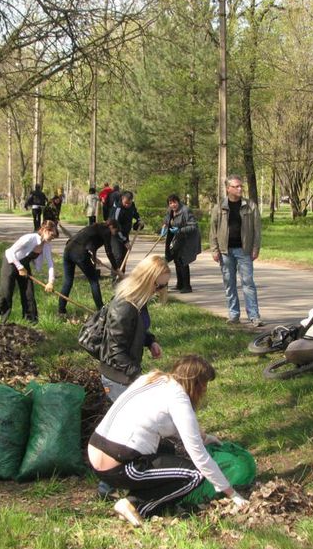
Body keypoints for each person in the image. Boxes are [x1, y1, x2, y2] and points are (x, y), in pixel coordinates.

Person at [88, 355, 249, 526]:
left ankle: (138, 499)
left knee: (170, 450)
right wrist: (232, 494)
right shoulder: (179, 398)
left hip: (96, 451)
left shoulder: (152, 379)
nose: (205, 391)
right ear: (197, 384)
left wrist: (206, 438)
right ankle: (135, 504)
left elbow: (164, 422)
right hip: (119, 465)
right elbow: (199, 456)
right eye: (205, 385)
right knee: (194, 474)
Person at [99, 254, 168, 402]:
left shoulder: (139, 301)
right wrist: (139, 376)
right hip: (117, 377)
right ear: (145, 280)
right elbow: (115, 351)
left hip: (126, 373)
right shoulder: (124, 307)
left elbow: (134, 328)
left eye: (164, 286)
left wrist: (150, 341)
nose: (159, 290)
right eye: (158, 285)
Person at [209, 174, 263, 326]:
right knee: (229, 284)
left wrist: (255, 247)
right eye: (236, 186)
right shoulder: (219, 207)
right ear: (228, 189)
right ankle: (234, 315)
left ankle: (254, 316)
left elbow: (257, 230)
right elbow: (213, 230)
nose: (240, 189)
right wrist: (214, 250)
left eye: (241, 186)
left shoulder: (250, 206)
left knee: (248, 283)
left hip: (244, 250)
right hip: (225, 252)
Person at [0, 220, 58, 324]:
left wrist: (50, 282)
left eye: (54, 236)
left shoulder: (46, 245)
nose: (52, 238)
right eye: (52, 234)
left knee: (28, 292)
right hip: (10, 262)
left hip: (24, 265)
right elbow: (10, 252)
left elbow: (50, 264)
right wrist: (19, 267)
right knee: (6, 292)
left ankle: (31, 321)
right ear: (45, 230)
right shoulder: (29, 238)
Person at [59, 219, 119, 314]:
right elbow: (109, 251)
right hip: (79, 253)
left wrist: (93, 257)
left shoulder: (94, 226)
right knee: (94, 281)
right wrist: (116, 268)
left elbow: (88, 242)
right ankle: (101, 309)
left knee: (68, 281)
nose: (113, 234)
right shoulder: (106, 230)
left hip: (68, 249)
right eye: (115, 231)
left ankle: (61, 310)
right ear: (112, 227)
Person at [161, 194, 201, 293]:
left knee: (183, 260)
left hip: (187, 239)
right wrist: (164, 227)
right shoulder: (170, 211)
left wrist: (179, 230)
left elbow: (193, 227)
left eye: (175, 202)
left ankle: (187, 286)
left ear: (178, 202)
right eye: (170, 203)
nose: (173, 205)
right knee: (176, 259)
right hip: (176, 238)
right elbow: (167, 221)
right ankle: (180, 284)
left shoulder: (185, 211)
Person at [109, 190, 144, 271]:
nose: (127, 205)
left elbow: (135, 213)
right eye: (125, 203)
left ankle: (122, 278)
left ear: (132, 200)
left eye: (129, 203)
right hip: (115, 234)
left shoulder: (132, 205)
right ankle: (115, 279)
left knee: (124, 256)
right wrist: (125, 241)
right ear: (122, 199)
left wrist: (139, 220)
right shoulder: (118, 209)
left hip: (124, 233)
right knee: (118, 256)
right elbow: (115, 227)